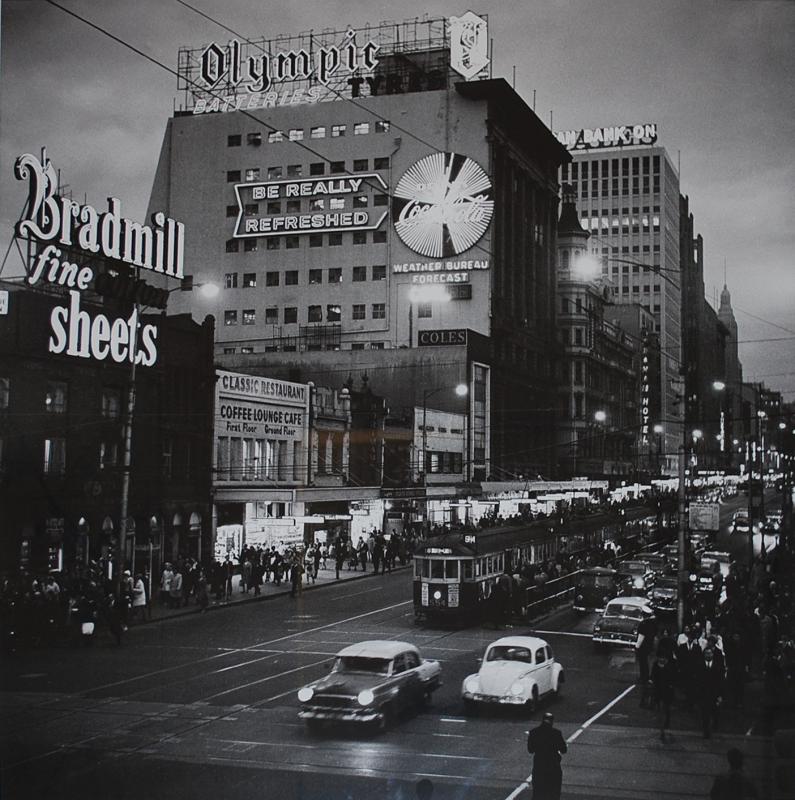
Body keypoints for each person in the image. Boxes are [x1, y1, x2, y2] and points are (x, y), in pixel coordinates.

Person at [526, 712, 567, 800]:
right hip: (553, 765)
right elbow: (564, 750)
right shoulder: (556, 733)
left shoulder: (534, 732)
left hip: (539, 765)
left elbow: (530, 750)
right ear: (552, 721)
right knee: (554, 792)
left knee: (538, 792)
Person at [650, 652, 676, 741]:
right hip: (658, 691)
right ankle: (662, 730)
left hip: (667, 691)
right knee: (660, 710)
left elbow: (673, 678)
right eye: (660, 657)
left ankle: (664, 726)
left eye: (663, 658)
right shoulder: (655, 665)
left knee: (666, 709)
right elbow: (652, 676)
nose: (662, 659)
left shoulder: (670, 666)